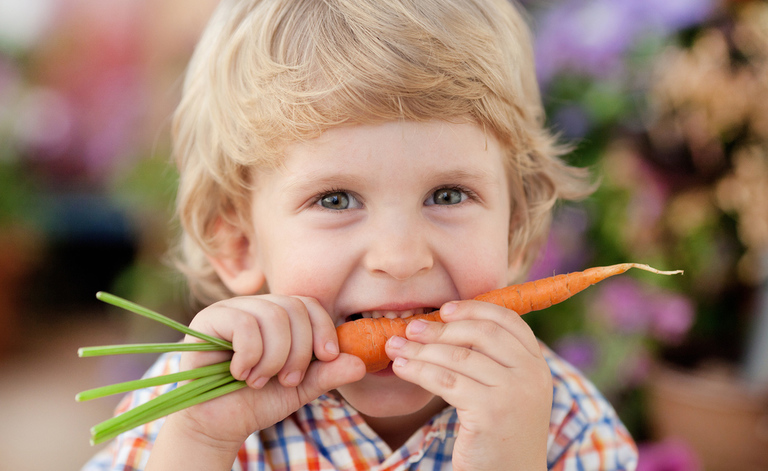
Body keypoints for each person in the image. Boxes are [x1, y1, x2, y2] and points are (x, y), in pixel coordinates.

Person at [83, 0, 639, 469]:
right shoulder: (192, 404)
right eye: (335, 200)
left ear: (516, 229)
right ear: (240, 244)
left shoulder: (564, 423)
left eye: (448, 195)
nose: (400, 257)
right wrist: (201, 444)